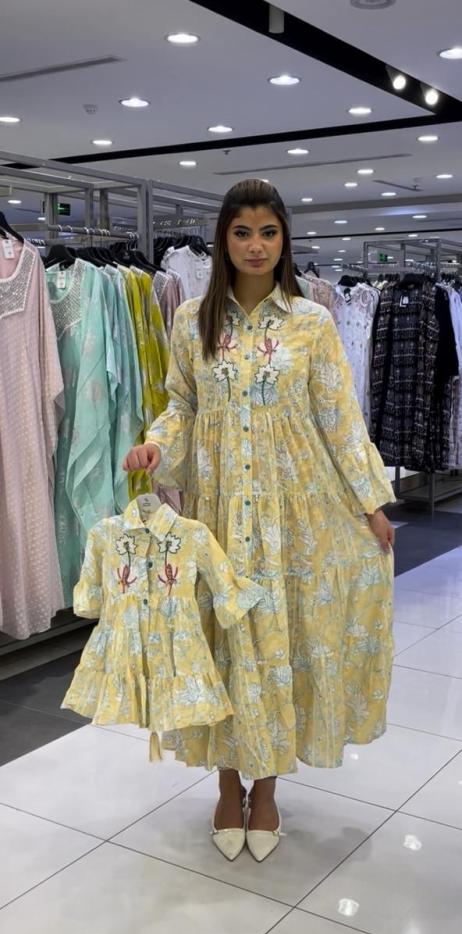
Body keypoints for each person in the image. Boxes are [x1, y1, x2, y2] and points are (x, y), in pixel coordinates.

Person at [123, 179, 395, 862]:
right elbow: (182, 405)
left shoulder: (312, 322)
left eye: (268, 232)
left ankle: (266, 787)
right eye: (242, 232)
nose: (255, 246)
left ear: (284, 240)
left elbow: (339, 418)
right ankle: (226, 782)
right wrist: (159, 445)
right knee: (224, 643)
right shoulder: (192, 321)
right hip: (218, 511)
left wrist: (370, 502)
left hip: (294, 514)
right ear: (223, 239)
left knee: (280, 641)